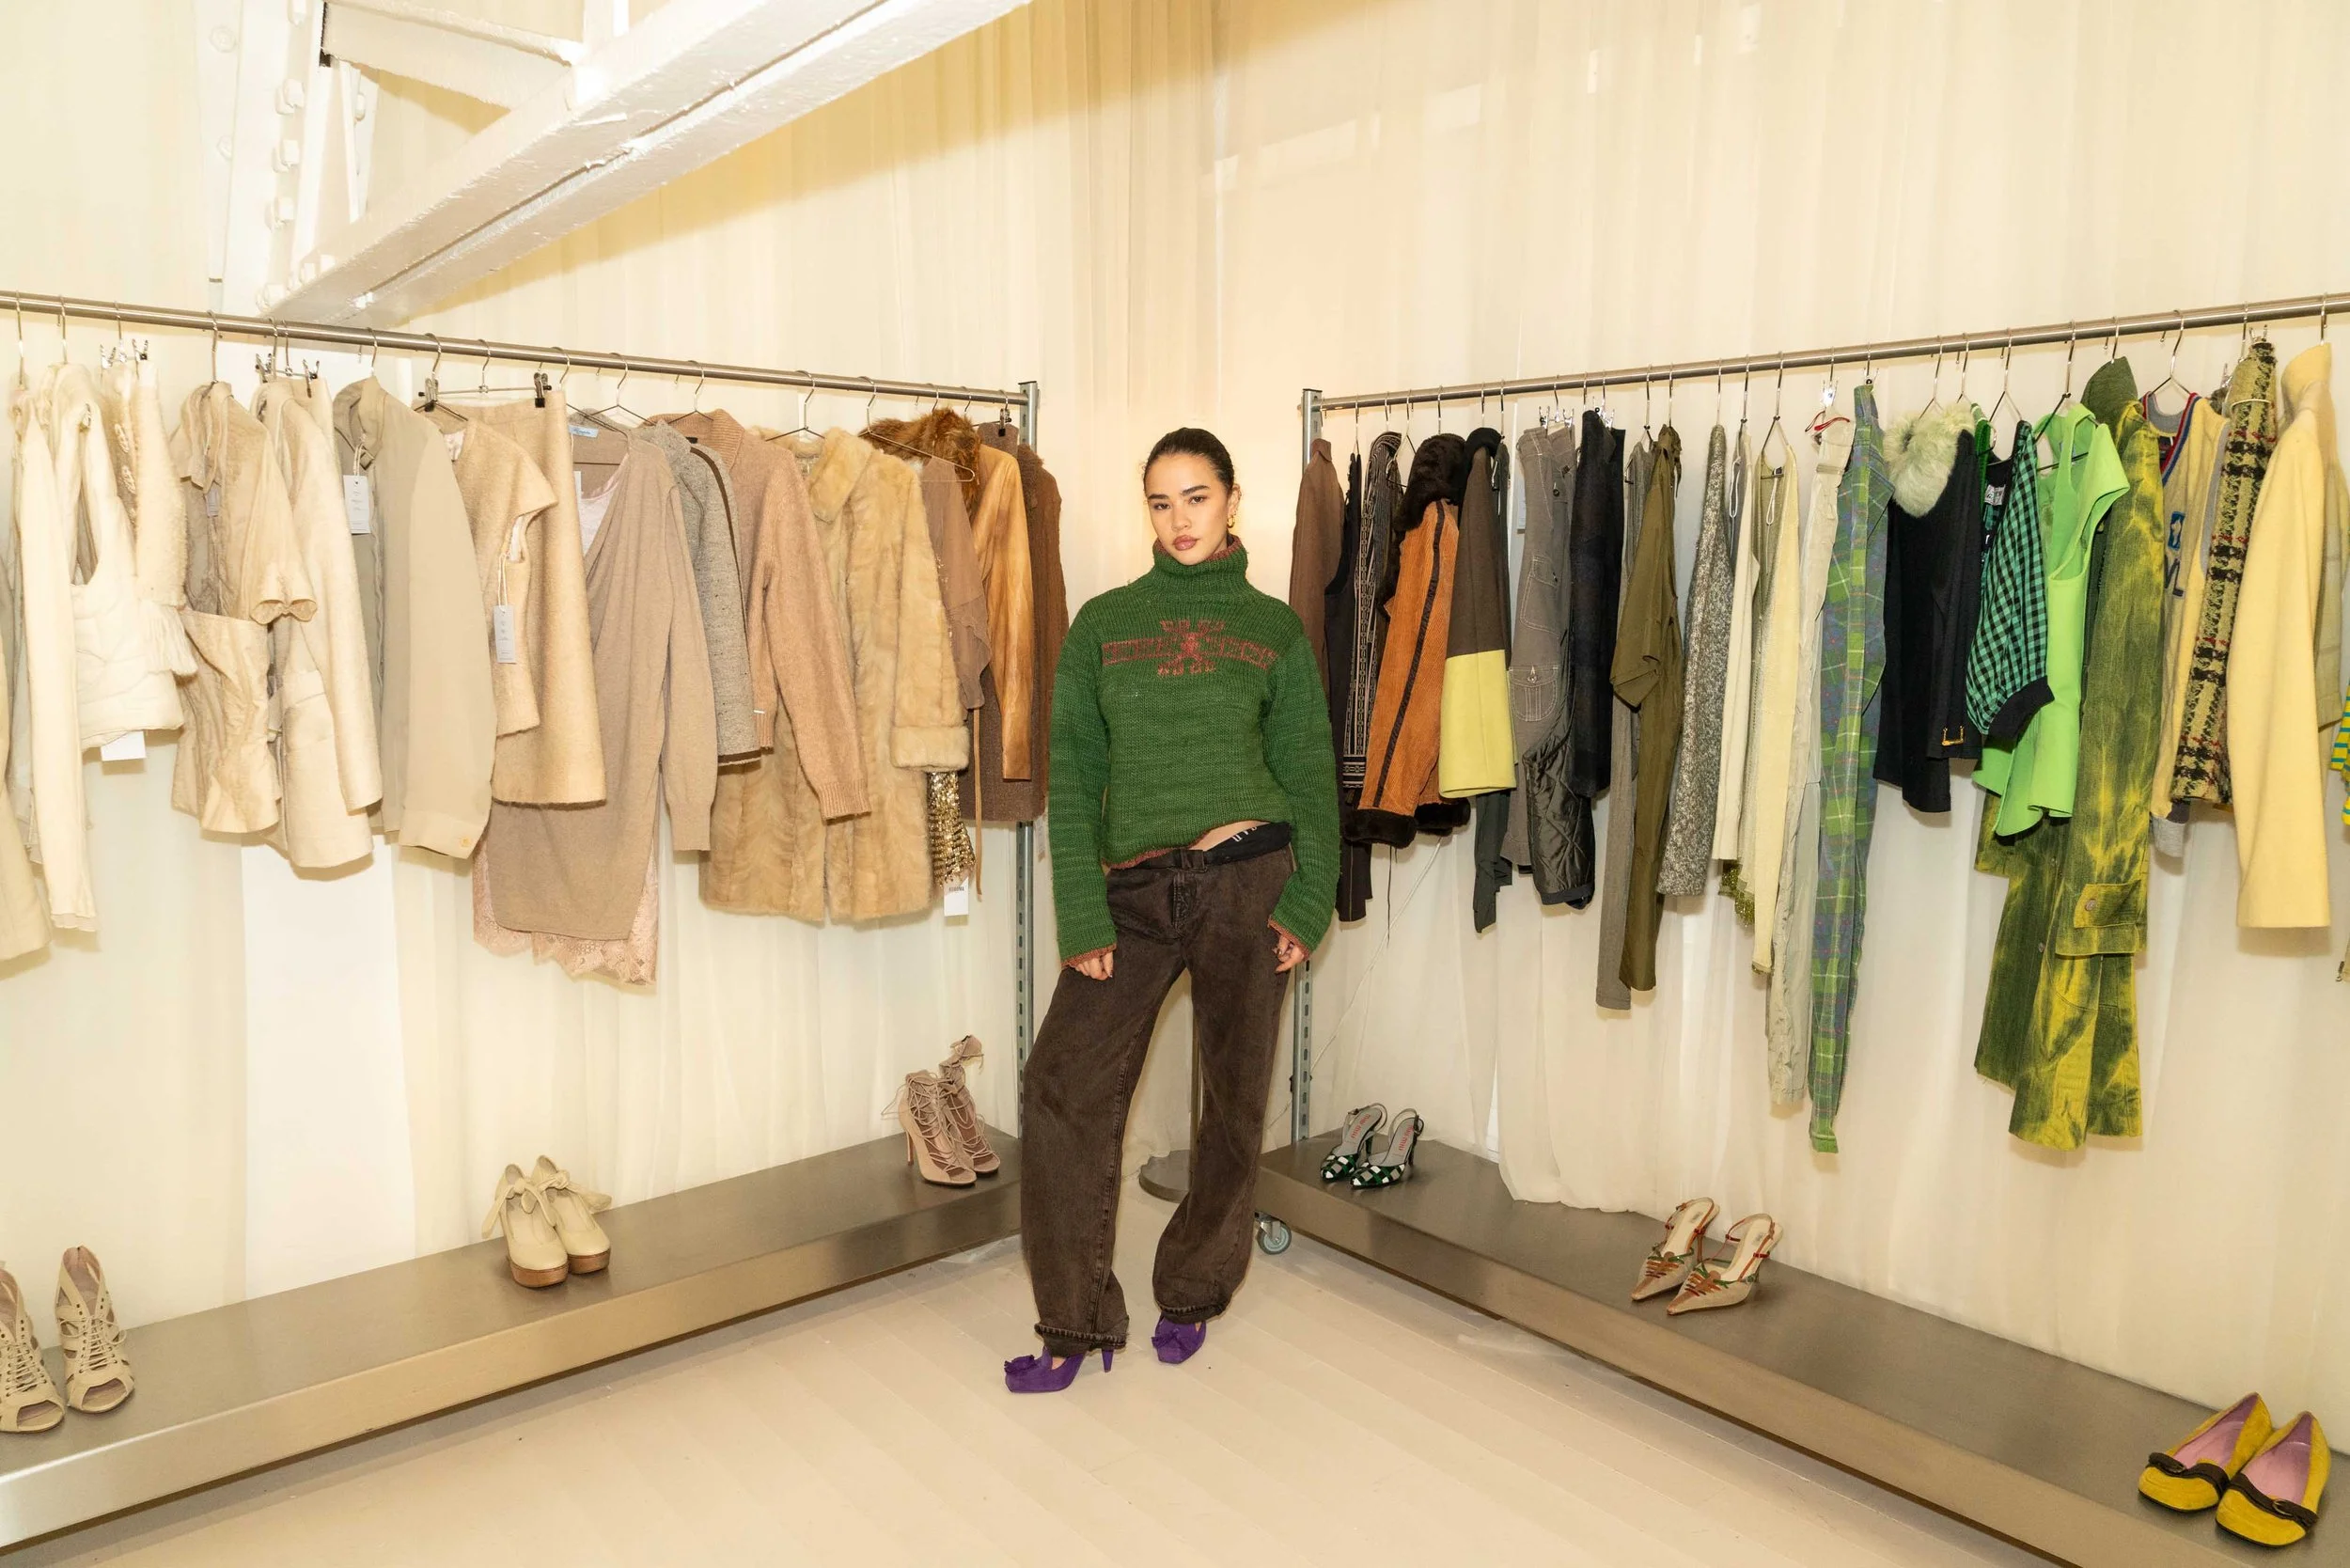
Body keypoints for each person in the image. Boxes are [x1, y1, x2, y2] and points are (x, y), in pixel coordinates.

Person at [1008, 428, 1340, 1393]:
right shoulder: (1105, 626)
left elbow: (1309, 778)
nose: (1179, 519)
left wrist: (1307, 899)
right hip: (1137, 894)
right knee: (1060, 1089)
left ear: (1234, 503)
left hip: (1250, 881)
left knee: (1232, 1108)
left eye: (1196, 498)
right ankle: (1074, 1321)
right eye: (1160, 502)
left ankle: (1192, 1289)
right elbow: (1074, 781)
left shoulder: (1272, 631)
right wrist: (1082, 912)